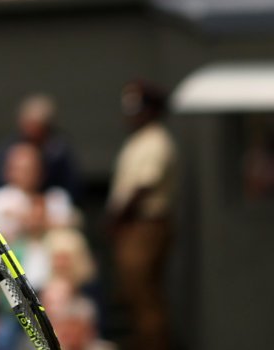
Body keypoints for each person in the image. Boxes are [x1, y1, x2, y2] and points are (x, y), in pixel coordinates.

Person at [107, 81, 178, 350]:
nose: (131, 115)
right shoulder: (139, 140)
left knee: (144, 296)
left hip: (144, 225)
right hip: (134, 226)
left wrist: (117, 218)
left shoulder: (156, 140)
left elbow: (144, 186)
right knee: (133, 295)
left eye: (137, 109)